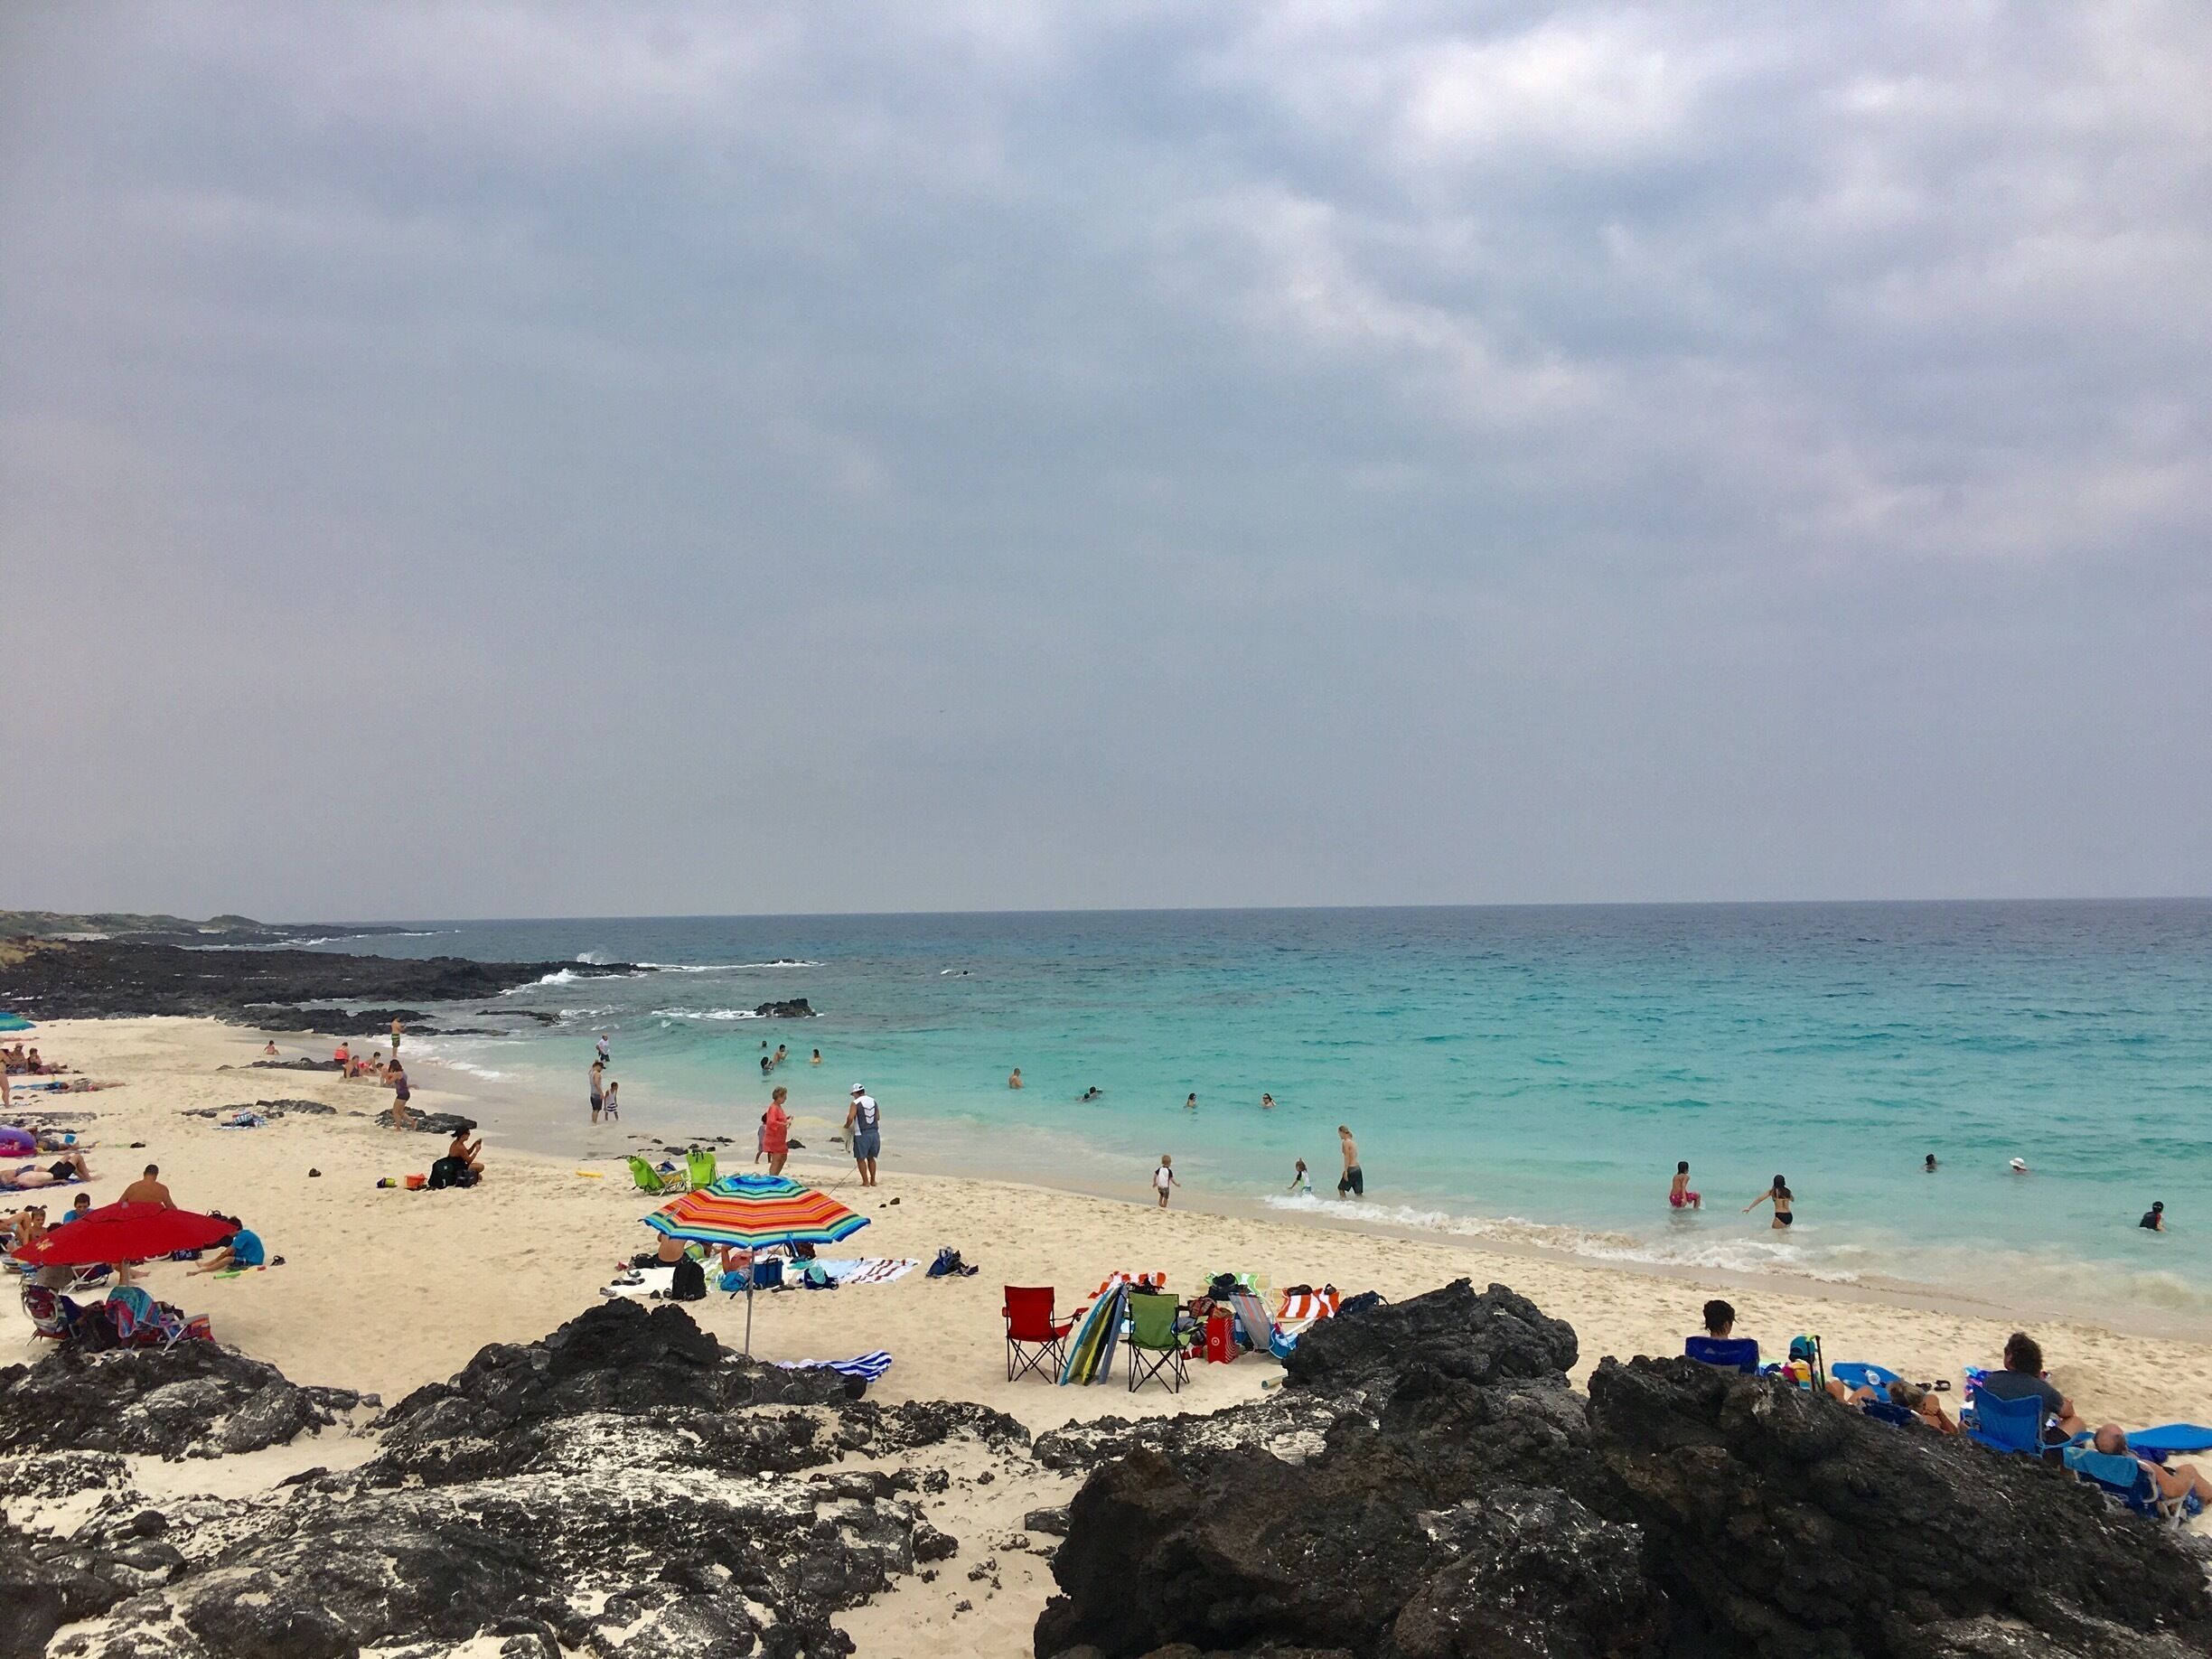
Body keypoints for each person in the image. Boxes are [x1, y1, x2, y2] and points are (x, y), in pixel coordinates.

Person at [1975, 1331, 2085, 1444]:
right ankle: (2072, 1454)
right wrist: (2043, 1383)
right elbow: (2068, 1412)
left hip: (1993, 1439)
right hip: (2030, 1448)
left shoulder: (1990, 1381)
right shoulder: (2043, 1390)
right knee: (2077, 1422)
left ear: (2009, 1358)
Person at [2089, 1423, 2212, 1507]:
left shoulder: (2094, 1462)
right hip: (2156, 1503)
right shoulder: (2143, 1466)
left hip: (2125, 1498)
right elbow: (2174, 1491)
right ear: (2124, 1442)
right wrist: (2186, 1475)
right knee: (2187, 1469)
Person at [190, 1214, 267, 1274]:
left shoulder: (242, 1237)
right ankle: (207, 1265)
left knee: (227, 1258)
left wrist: (217, 1260)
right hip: (252, 1258)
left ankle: (206, 1268)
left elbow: (227, 1252)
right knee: (229, 1255)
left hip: (253, 1262)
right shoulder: (244, 1234)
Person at [845, 1085, 881, 1186]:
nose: (853, 1096)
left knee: (860, 1159)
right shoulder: (873, 1101)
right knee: (871, 1158)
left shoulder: (855, 1103)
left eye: (853, 1094)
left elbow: (850, 1118)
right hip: (874, 1133)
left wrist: (846, 1127)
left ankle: (865, 1182)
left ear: (856, 1093)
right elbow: (878, 1117)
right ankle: (873, 1181)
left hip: (861, 1134)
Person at [762, 1085, 791, 1176]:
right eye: (784, 1097)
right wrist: (784, 1124)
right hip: (774, 1138)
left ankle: (775, 1176)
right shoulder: (773, 1107)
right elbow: (771, 1122)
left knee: (783, 1157)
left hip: (780, 1138)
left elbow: (779, 1119)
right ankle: (772, 1177)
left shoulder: (779, 1107)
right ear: (778, 1097)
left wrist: (787, 1119)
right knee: (777, 1159)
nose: (785, 1099)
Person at [1336, 1125, 1363, 1198]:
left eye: (1339, 1133)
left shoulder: (1345, 1142)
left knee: (1341, 1188)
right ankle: (1364, 1204)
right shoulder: (1352, 1142)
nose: (1339, 1135)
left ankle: (1343, 1203)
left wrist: (1346, 1171)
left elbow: (1347, 1157)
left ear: (1342, 1132)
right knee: (1358, 1194)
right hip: (1357, 1169)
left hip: (1351, 1169)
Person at [388, 1061, 412, 1129]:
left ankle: (398, 1128)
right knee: (400, 1112)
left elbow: (389, 1083)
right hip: (406, 1093)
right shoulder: (403, 1073)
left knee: (395, 1111)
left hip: (402, 1094)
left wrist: (387, 1076)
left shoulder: (397, 1074)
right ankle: (413, 1122)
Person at [589, 1060, 605, 1124]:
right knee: (597, 1110)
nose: (601, 1069)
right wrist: (601, 1093)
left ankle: (593, 1122)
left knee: (594, 1109)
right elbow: (596, 1083)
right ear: (597, 1066)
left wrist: (595, 1063)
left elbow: (591, 1069)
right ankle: (594, 1122)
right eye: (601, 1067)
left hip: (592, 1093)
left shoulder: (591, 1073)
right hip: (597, 1094)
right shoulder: (597, 1074)